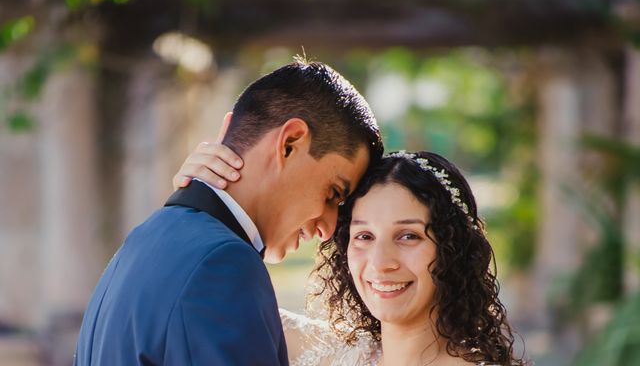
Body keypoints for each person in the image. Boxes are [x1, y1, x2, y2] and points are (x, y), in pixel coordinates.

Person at [74, 60, 383, 365]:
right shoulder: (223, 265)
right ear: (289, 143)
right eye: (332, 193)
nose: (328, 229)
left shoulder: (145, 238)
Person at [177, 150, 529, 365]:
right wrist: (203, 192)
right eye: (364, 236)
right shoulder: (317, 351)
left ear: (453, 250)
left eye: (408, 236)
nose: (381, 262)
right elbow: (190, 293)